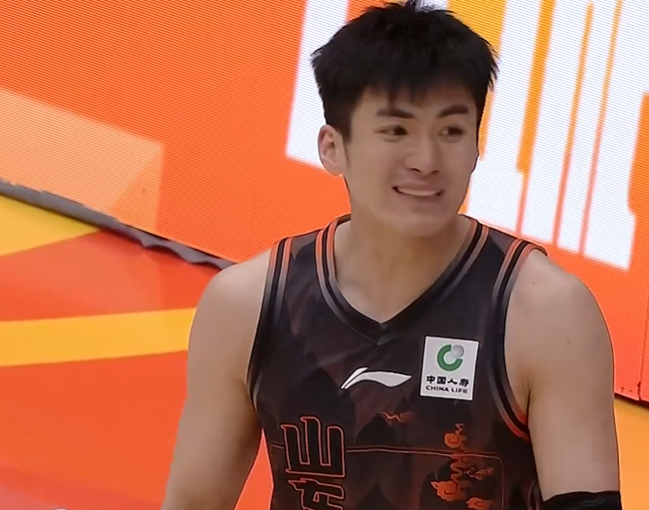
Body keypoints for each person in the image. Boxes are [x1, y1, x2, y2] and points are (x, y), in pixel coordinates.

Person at [161, 1, 622, 509]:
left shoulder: (549, 314)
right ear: (332, 147)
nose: (426, 161)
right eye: (396, 131)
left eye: (450, 131)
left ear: (476, 146)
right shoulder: (247, 306)